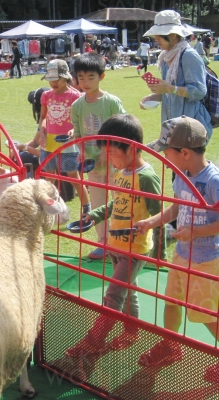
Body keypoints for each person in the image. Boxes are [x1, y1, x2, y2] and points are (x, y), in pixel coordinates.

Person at [65, 114, 166, 357]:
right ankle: (132, 332)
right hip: (115, 243)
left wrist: (159, 251)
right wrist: (96, 215)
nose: (107, 158)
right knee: (127, 290)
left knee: (112, 295)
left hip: (135, 248)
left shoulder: (146, 178)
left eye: (111, 153)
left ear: (131, 148)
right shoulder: (121, 173)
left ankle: (93, 341)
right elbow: (116, 202)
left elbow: (160, 215)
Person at [135, 116, 219, 370]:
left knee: (206, 313)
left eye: (166, 152)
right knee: (171, 302)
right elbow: (175, 208)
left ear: (184, 152)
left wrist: (196, 231)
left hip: (205, 259)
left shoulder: (213, 181)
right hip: (182, 254)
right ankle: (170, 345)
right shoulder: (181, 175)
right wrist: (151, 222)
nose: (164, 157)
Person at [72, 53, 126, 260]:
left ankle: (121, 243)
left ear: (102, 77)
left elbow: (123, 129)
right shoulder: (77, 106)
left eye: (90, 77)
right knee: (98, 206)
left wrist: (108, 152)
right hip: (93, 167)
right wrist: (82, 153)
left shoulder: (111, 102)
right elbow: (78, 133)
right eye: (81, 78)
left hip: (116, 165)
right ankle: (103, 243)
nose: (85, 82)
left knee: (120, 203)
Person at [140, 10, 213, 140]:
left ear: (173, 34)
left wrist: (169, 88)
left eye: (160, 34)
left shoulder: (188, 55)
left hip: (191, 127)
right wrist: (153, 97)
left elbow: (199, 91)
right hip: (171, 125)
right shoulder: (166, 57)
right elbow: (170, 95)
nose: (156, 38)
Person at [38, 59, 91, 216]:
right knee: (49, 178)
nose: (53, 83)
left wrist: (74, 130)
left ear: (66, 77)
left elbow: (81, 120)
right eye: (50, 79)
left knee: (73, 176)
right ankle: (48, 209)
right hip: (49, 141)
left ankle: (87, 208)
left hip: (67, 142)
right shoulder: (46, 95)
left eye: (57, 79)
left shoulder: (76, 96)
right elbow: (43, 117)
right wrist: (42, 129)